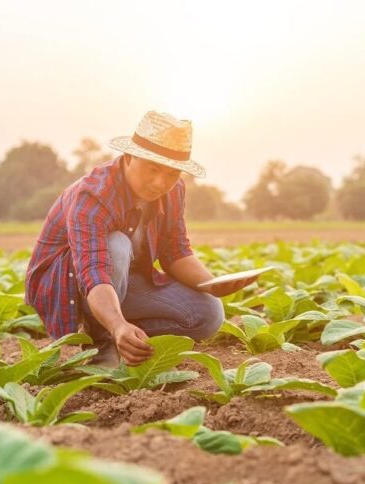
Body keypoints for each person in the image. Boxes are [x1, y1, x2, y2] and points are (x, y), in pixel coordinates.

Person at [24, 110, 256, 367]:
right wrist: (116, 325)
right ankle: (103, 342)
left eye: (171, 173)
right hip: (70, 284)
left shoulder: (174, 191)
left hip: (122, 281)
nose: (160, 182)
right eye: (152, 169)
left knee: (208, 313)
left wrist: (212, 284)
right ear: (129, 157)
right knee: (118, 245)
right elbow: (93, 273)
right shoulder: (93, 195)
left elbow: (176, 251)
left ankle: (129, 337)